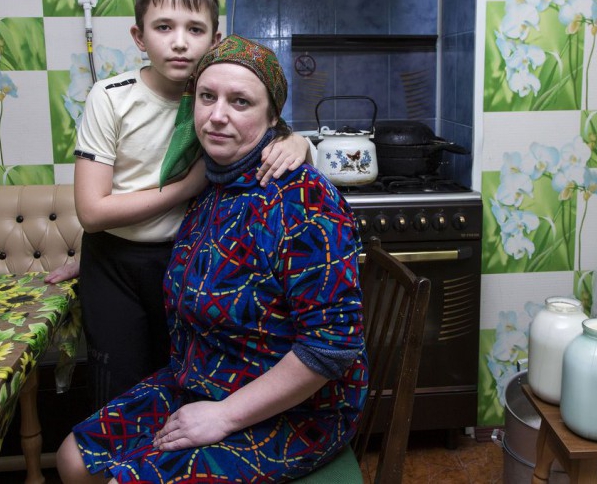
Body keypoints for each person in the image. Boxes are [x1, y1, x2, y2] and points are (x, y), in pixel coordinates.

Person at [55, 35, 368, 483]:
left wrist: (223, 417)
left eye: (240, 101)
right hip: (200, 381)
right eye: (207, 97)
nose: (217, 115)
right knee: (71, 458)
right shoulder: (210, 188)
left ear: (272, 116)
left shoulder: (303, 201)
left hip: (297, 410)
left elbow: (331, 346)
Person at [46, 0, 311, 411]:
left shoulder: (215, 97)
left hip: (187, 259)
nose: (180, 42)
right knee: (120, 390)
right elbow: (92, 213)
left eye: (195, 29)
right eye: (164, 27)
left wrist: (298, 141)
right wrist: (188, 187)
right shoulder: (110, 97)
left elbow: (269, 130)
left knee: (183, 381)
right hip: (112, 264)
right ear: (139, 35)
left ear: (215, 37)